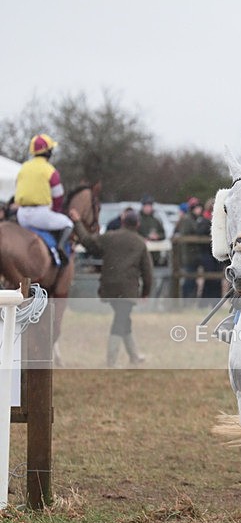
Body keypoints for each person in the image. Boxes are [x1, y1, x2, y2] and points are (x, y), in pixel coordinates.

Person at [69, 207, 152, 367]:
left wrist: (78, 222)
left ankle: (134, 356)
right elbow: (147, 272)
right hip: (128, 289)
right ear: (138, 224)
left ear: (122, 222)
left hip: (109, 286)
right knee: (120, 320)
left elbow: (87, 241)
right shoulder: (140, 243)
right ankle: (111, 361)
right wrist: (145, 292)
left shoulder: (110, 237)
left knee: (124, 318)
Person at [14, 134, 73, 262]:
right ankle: (61, 248)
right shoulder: (50, 170)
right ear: (48, 152)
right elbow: (58, 196)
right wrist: (56, 211)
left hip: (22, 215)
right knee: (68, 223)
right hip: (40, 214)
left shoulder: (23, 168)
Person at [174, 198, 207, 299]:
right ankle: (186, 300)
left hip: (194, 254)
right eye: (197, 207)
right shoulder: (187, 219)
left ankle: (191, 300)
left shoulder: (195, 219)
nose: (199, 210)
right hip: (189, 254)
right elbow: (187, 236)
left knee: (193, 280)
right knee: (189, 280)